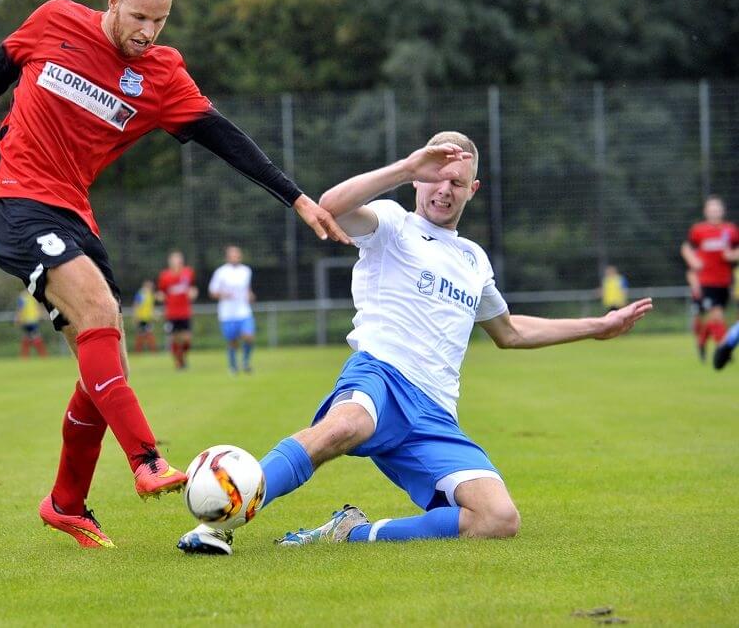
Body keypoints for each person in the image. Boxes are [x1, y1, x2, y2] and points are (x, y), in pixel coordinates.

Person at [0, 0, 348, 550]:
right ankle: (147, 461)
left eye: (160, 21)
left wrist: (295, 198)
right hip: (15, 198)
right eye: (139, 16)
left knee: (103, 365)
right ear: (112, 2)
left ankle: (65, 502)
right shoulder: (56, 20)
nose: (148, 31)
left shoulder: (161, 75)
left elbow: (223, 136)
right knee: (102, 316)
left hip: (75, 214)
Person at [178, 132, 652, 555]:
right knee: (344, 426)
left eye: (457, 183)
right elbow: (332, 205)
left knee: (497, 519)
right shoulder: (393, 223)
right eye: (435, 178)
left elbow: (510, 332)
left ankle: (348, 533)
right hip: (380, 375)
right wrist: (405, 166)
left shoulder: (473, 260)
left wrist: (598, 326)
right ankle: (223, 520)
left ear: (473, 190)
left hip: (435, 413)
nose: (444, 190)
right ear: (420, 179)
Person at [680, 196, 739, 361]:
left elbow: (736, 250)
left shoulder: (730, 230)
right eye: (711, 209)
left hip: (725, 282)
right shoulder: (698, 230)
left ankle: (701, 342)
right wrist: (693, 261)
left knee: (715, 319)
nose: (714, 212)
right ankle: (725, 351)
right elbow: (686, 248)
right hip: (706, 282)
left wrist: (733, 255)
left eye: (717, 208)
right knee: (717, 316)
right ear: (706, 211)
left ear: (722, 210)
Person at [208, 245, 256, 373]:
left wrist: (250, 295)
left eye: (237, 254)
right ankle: (233, 365)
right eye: (232, 254)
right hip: (227, 313)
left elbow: (247, 289)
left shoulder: (246, 271)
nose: (235, 257)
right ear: (227, 257)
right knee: (232, 341)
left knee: (248, 337)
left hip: (243, 311)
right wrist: (223, 294)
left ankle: (246, 362)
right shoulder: (221, 272)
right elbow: (212, 292)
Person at [157, 251, 198, 369]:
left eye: (178, 259)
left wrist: (193, 293)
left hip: (185, 312)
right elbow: (161, 292)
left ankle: (182, 357)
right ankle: (179, 363)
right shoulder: (165, 276)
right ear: (170, 262)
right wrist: (160, 296)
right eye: (173, 260)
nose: (176, 262)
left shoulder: (188, 272)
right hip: (171, 313)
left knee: (186, 339)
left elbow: (193, 288)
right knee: (175, 339)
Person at [14, 292, 48, 358]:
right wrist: (43, 315)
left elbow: (20, 309)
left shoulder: (23, 296)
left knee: (27, 338)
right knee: (36, 337)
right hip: (32, 321)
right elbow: (38, 307)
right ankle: (43, 356)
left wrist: (17, 318)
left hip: (26, 321)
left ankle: (24, 357)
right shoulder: (33, 296)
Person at [132, 279, 158, 353]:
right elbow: (136, 305)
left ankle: (152, 351)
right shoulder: (141, 294)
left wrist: (154, 315)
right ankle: (138, 351)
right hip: (141, 318)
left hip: (148, 318)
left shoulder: (150, 295)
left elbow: (150, 307)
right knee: (141, 335)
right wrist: (136, 316)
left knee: (148, 334)